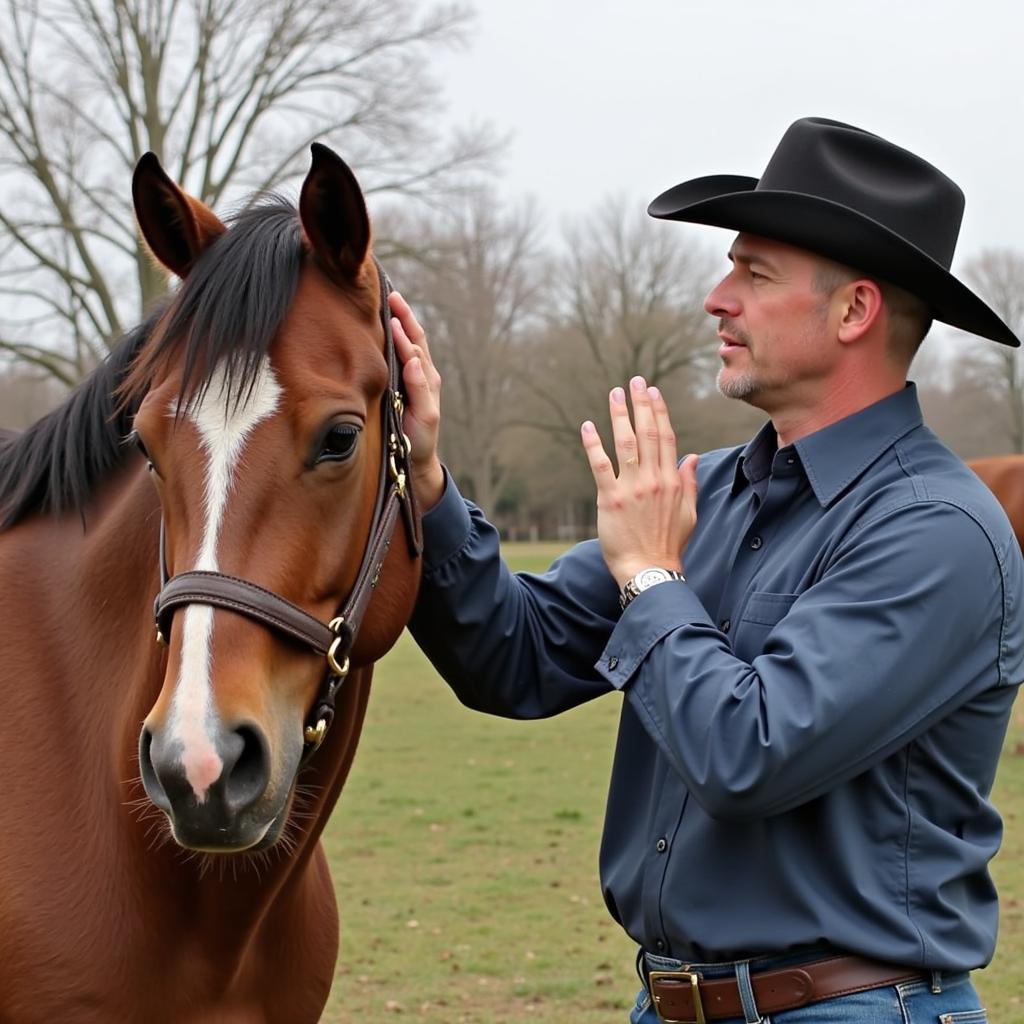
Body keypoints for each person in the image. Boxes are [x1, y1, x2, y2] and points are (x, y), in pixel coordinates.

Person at [386, 117, 1024, 1023]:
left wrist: (650, 573)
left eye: (753, 273)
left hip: (856, 1011)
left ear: (854, 311)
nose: (716, 298)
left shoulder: (937, 533)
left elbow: (749, 754)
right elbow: (509, 656)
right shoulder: (708, 495)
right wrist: (427, 480)